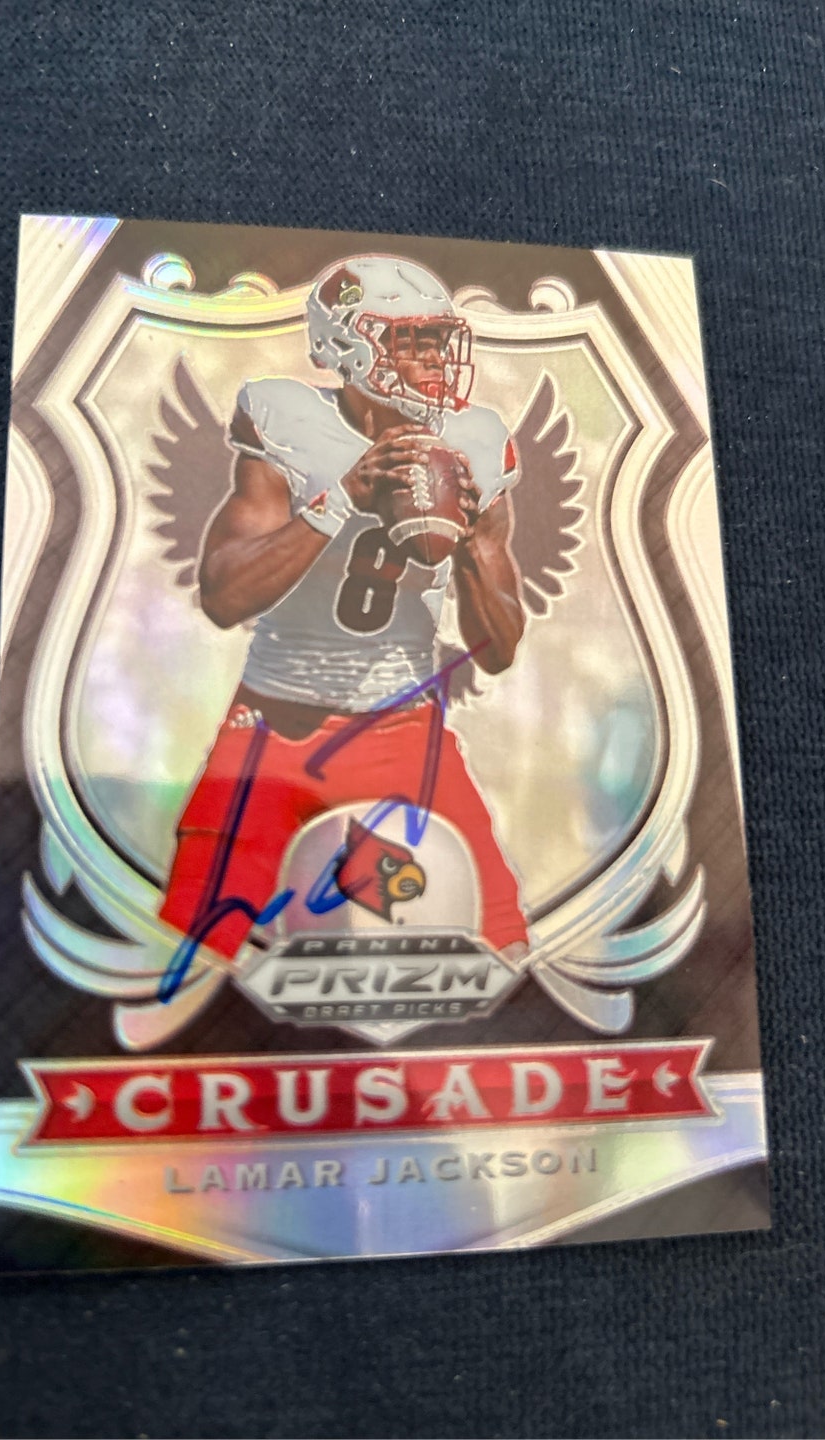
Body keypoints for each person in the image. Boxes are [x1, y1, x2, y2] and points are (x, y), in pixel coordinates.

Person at [158, 255, 529, 967]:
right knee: (197, 956)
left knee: (498, 952)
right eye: (411, 340)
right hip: (273, 729)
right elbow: (223, 597)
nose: (434, 360)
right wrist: (340, 502)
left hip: (404, 729)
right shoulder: (289, 420)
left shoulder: (475, 440)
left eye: (439, 340)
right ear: (346, 344)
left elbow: (501, 649)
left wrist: (469, 548)